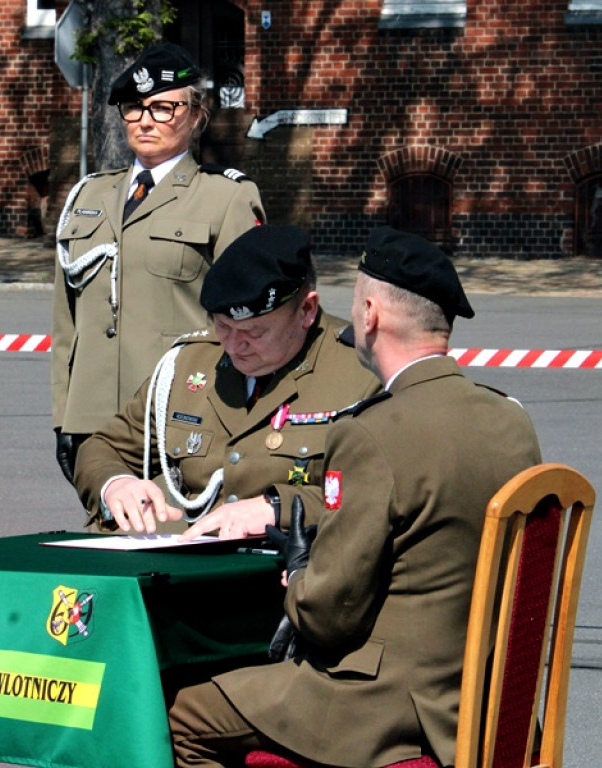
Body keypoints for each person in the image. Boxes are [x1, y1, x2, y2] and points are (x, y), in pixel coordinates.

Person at [167, 226, 543, 767]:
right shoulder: (510, 418)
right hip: (491, 698)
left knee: (184, 715)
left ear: (368, 315)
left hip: (387, 704)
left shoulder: (372, 433)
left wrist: (298, 575)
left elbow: (327, 615)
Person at [72, 224, 381, 533]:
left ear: (306, 311)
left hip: (292, 570)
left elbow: (388, 491)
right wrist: (115, 484)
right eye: (223, 326)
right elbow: (104, 447)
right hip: (184, 562)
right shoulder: (189, 363)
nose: (233, 346)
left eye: (254, 332)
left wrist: (278, 508)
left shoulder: (364, 372)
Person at [52, 41, 266, 484]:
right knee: (100, 544)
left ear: (194, 115)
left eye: (164, 108)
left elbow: (249, 318)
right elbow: (66, 326)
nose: (147, 120)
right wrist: (64, 417)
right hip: (94, 422)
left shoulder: (226, 198)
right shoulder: (87, 196)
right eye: (135, 108)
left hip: (181, 417)